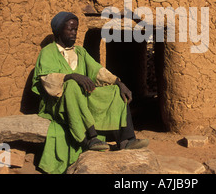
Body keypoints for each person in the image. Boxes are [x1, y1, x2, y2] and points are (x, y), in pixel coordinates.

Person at [32, 11, 148, 174]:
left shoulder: (80, 52)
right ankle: (89, 138)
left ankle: (126, 139)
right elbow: (47, 79)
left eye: (76, 29)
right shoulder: (48, 52)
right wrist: (71, 76)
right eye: (70, 29)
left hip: (80, 101)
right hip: (58, 104)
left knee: (115, 90)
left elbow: (97, 71)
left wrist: (118, 82)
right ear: (58, 31)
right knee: (71, 85)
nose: (74, 33)